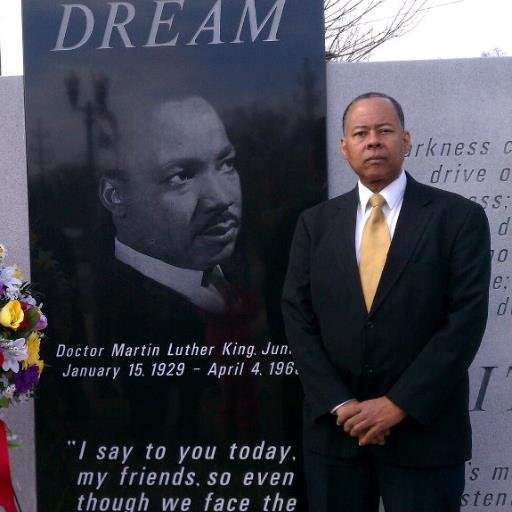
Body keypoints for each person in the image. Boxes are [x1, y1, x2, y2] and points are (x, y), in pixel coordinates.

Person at [281, 92, 491, 511]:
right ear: (344, 147)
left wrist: (398, 405)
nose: (373, 141)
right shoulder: (314, 225)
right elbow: (297, 317)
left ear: (406, 140)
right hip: (335, 437)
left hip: (424, 437)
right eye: (360, 133)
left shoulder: (459, 218)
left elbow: (464, 323)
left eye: (384, 130)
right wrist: (341, 405)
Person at [98, 95, 242, 314]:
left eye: (226, 164)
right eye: (181, 177)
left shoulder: (223, 281)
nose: (222, 198)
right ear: (115, 195)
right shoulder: (127, 307)